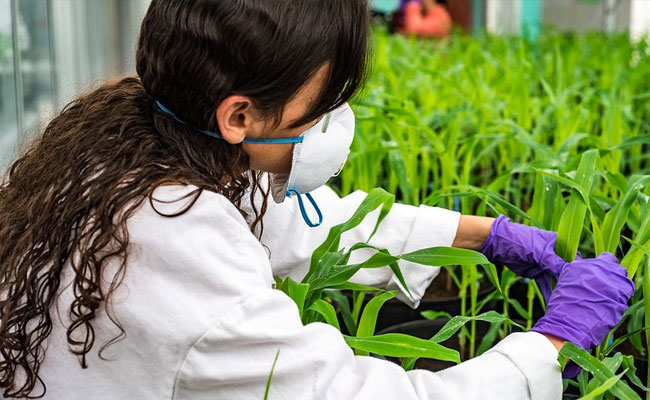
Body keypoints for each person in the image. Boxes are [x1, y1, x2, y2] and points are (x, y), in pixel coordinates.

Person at [0, 1, 634, 399]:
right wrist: (552, 346)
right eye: (323, 105)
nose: (334, 122)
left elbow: (312, 226)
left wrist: (481, 233)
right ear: (240, 114)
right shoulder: (177, 254)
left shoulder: (141, 145)